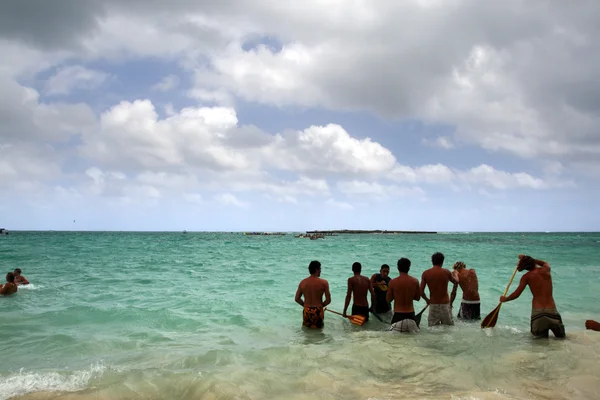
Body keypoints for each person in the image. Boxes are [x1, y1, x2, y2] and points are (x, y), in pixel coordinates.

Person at [500, 255, 565, 338]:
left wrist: (506, 299)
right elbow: (544, 262)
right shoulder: (546, 270)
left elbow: (517, 294)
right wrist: (528, 258)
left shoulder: (526, 277)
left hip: (538, 314)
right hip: (552, 312)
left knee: (540, 345)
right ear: (533, 262)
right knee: (561, 340)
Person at [420, 252, 459, 327]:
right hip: (445, 305)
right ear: (442, 261)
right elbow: (456, 282)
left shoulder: (426, 273)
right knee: (448, 328)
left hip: (433, 305)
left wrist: (427, 300)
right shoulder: (446, 272)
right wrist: (456, 274)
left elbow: (421, 292)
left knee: (432, 329)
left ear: (432, 261)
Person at [386, 258, 421, 333]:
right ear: (409, 268)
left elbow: (388, 299)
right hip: (411, 316)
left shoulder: (393, 282)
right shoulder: (415, 281)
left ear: (398, 268)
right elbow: (418, 298)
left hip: (398, 317)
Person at [295, 260, 331, 329]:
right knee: (319, 332)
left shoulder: (303, 282)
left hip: (307, 310)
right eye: (320, 269)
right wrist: (321, 306)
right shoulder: (324, 283)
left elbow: (297, 299)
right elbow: (328, 300)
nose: (321, 271)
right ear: (317, 269)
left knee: (307, 332)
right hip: (318, 310)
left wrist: (305, 305)